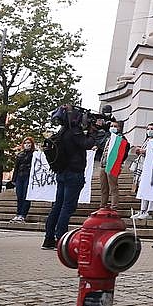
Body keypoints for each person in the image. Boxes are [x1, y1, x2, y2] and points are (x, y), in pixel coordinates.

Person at [42, 106, 98, 250]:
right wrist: (93, 132)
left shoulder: (62, 132)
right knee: (67, 208)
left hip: (62, 173)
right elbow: (87, 144)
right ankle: (61, 238)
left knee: (57, 206)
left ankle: (48, 238)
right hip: (73, 173)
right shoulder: (74, 132)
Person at [131, 124, 153, 220]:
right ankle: (143, 210)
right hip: (143, 166)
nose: (149, 130)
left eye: (152, 129)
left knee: (150, 189)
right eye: (148, 129)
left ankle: (149, 211)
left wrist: (144, 151)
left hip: (151, 169)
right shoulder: (146, 140)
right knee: (143, 189)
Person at [99, 120, 130, 210]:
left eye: (115, 126)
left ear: (119, 128)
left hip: (113, 165)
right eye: (111, 126)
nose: (112, 127)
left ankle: (114, 205)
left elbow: (124, 153)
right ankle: (103, 205)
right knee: (103, 188)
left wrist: (119, 163)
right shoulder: (108, 138)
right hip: (103, 164)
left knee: (113, 187)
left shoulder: (121, 139)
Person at [9, 137, 35, 223]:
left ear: (31, 144)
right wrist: (14, 179)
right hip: (20, 177)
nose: (27, 144)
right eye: (25, 143)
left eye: (29, 143)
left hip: (28, 176)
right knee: (19, 196)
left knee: (26, 196)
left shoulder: (34, 154)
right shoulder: (20, 154)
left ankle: (23, 215)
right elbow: (16, 168)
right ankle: (18, 214)